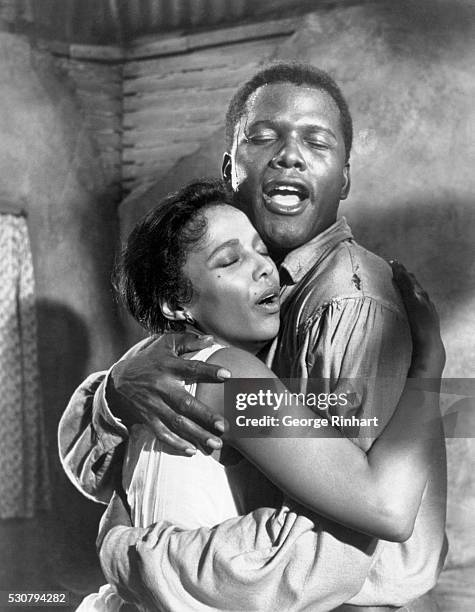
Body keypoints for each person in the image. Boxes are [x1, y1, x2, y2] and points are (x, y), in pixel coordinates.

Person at [59, 63, 447, 610]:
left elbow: (371, 517)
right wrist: (118, 386)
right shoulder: (213, 361)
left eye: (316, 141)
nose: (289, 154)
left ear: (345, 177)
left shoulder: (346, 304)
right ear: (230, 168)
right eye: (263, 137)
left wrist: (128, 553)